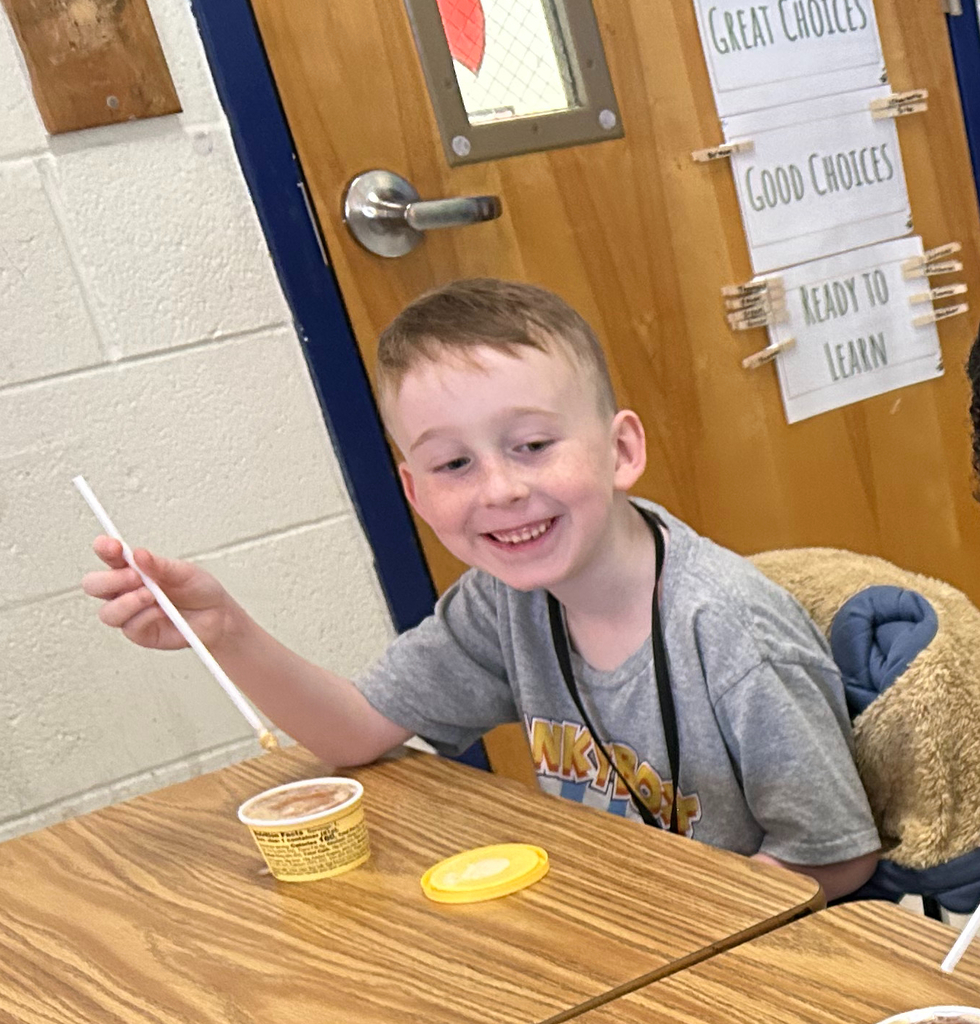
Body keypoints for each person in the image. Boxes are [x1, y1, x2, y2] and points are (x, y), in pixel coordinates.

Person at [83, 278, 880, 899]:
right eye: (453, 464)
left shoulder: (731, 629)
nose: (499, 490)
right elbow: (357, 733)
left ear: (621, 450)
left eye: (532, 444)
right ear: (414, 492)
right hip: (609, 917)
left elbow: (835, 855)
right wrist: (226, 632)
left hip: (746, 947)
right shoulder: (502, 602)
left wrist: (669, 925)